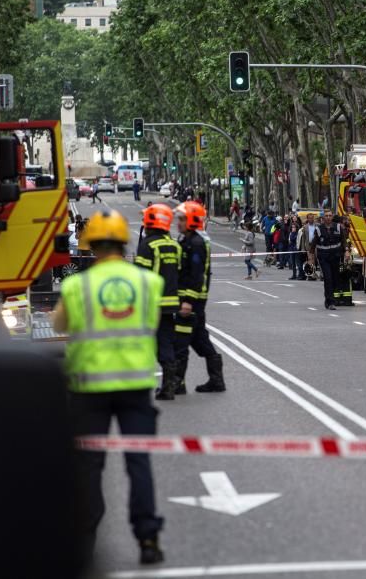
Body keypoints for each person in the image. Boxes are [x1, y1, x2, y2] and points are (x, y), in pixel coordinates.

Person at [50, 210, 165, 566]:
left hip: (89, 389)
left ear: (92, 246)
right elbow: (150, 321)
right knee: (138, 464)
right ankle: (148, 539)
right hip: (135, 384)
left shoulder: (76, 286)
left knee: (88, 467)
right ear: (123, 242)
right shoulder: (148, 282)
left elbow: (59, 326)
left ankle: (84, 542)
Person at [173, 201, 226, 393]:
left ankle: (177, 384)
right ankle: (217, 380)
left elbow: (196, 275)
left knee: (180, 341)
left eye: (182, 219)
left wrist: (187, 301)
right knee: (199, 340)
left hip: (192, 301)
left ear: (192, 220)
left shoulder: (195, 244)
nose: (178, 222)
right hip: (193, 301)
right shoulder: (186, 240)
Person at [134, 203, 183, 401]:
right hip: (172, 303)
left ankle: (160, 385)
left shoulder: (147, 246)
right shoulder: (174, 245)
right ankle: (170, 384)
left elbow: (140, 276)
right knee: (166, 341)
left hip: (151, 304)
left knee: (152, 343)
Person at [311, 209, 348, 310]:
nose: (328, 217)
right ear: (323, 218)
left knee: (335, 279)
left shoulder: (338, 227)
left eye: (330, 215)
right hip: (324, 258)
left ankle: (328, 298)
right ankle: (331, 301)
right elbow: (313, 245)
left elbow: (344, 241)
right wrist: (311, 260)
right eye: (326, 216)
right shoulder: (319, 229)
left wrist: (347, 251)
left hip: (335, 257)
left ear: (332, 217)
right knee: (328, 278)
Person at [334, 216, 355, 306]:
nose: (348, 222)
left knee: (338, 279)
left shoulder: (334, 231)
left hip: (337, 259)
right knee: (345, 280)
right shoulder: (342, 231)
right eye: (346, 220)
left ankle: (338, 299)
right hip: (343, 259)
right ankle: (346, 300)